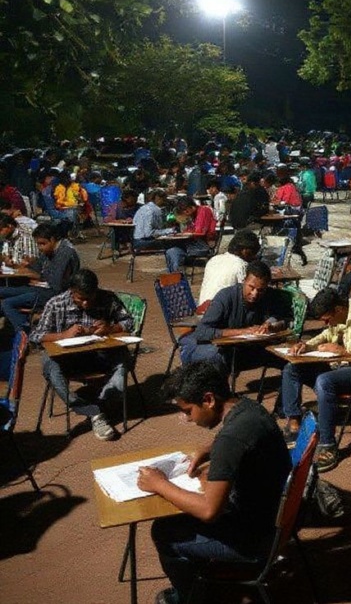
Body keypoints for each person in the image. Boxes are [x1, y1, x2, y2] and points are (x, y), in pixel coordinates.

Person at [142, 361, 291, 604]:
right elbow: (241, 440)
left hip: (253, 541)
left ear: (209, 399)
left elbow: (209, 511)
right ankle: (202, 577)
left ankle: (188, 597)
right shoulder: (250, 409)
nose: (187, 418)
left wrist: (159, 484)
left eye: (188, 410)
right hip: (273, 521)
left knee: (163, 531)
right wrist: (208, 450)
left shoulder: (230, 439)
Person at [280, 288, 351, 472]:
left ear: (338, 310)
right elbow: (328, 334)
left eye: (327, 319)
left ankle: (328, 444)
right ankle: (293, 423)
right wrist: (307, 345)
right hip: (349, 366)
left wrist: (343, 352)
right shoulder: (342, 313)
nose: (327, 323)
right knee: (292, 368)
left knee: (325, 382)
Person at [29, 269, 134, 441]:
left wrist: (110, 328)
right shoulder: (55, 304)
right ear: (71, 292)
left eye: (90, 298)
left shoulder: (107, 298)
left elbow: (128, 321)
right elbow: (36, 336)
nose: (85, 303)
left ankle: (101, 404)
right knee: (50, 367)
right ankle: (93, 411)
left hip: (99, 355)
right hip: (67, 359)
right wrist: (63, 335)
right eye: (80, 299)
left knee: (123, 360)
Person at [180, 261, 293, 376]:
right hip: (205, 347)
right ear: (244, 280)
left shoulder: (269, 296)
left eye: (260, 290)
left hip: (239, 349)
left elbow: (283, 318)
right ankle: (223, 392)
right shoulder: (225, 297)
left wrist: (271, 324)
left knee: (286, 358)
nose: (254, 294)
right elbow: (202, 332)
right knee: (220, 358)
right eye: (251, 287)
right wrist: (243, 331)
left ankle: (283, 393)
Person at [0, 222, 80, 331]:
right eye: (38, 244)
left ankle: (27, 334)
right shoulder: (49, 250)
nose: (39, 248)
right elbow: (36, 267)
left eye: (42, 244)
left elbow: (56, 283)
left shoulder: (65, 253)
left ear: (52, 239)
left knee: (7, 304)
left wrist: (40, 277)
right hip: (40, 288)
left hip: (53, 293)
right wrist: (26, 266)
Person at [197, 231, 262, 306]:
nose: (254, 257)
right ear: (244, 251)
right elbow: (247, 293)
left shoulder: (214, 259)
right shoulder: (241, 265)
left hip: (203, 308)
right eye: (253, 253)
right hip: (222, 312)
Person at [165, 197, 217, 273]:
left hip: (202, 245)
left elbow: (199, 231)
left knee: (173, 248)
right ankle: (175, 275)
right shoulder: (193, 215)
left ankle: (177, 275)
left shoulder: (204, 210)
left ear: (192, 207)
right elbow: (189, 230)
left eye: (186, 210)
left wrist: (184, 233)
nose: (185, 212)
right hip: (191, 244)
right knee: (170, 251)